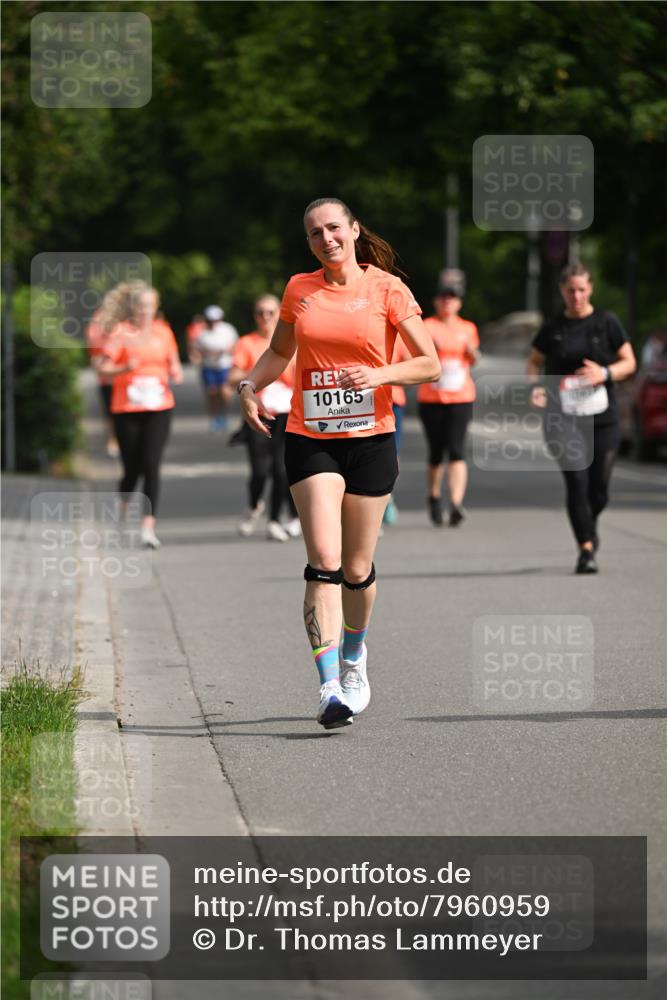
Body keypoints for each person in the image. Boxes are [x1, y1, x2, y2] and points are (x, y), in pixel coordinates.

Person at [237, 198, 440, 728]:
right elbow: (280, 353)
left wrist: (379, 377)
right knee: (323, 561)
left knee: (355, 568)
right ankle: (329, 686)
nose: (325, 239)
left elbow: (430, 363)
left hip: (372, 438)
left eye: (333, 228)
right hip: (311, 437)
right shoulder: (298, 289)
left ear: (353, 230)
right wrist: (249, 385)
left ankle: (354, 656)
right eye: (313, 233)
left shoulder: (387, 289)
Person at [527, 263, 636, 574]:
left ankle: (589, 523)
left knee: (598, 487)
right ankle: (585, 550)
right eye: (570, 290)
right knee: (576, 479)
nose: (576, 295)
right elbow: (534, 362)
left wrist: (603, 372)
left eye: (582, 289)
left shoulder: (606, 322)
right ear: (562, 291)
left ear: (590, 290)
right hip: (562, 416)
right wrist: (536, 388)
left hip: (602, 415)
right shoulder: (554, 326)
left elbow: (629, 362)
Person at [97, 281, 183, 549]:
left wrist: (176, 372)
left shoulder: (163, 332)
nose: (144, 311)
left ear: (156, 307)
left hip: (159, 406)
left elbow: (174, 362)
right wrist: (123, 368)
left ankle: (148, 525)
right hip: (127, 409)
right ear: (132, 308)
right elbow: (102, 368)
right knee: (132, 468)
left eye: (149, 305)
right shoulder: (121, 333)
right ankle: (121, 507)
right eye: (139, 305)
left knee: (151, 465)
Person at [228, 294, 301, 542]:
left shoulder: (293, 342)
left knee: (282, 470)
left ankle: (274, 520)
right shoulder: (247, 343)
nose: (265, 317)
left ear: (279, 314)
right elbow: (234, 374)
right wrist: (257, 376)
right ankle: (253, 505)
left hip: (287, 413)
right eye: (260, 312)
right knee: (260, 471)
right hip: (258, 413)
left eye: (270, 312)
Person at [417, 279, 480, 526]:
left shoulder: (468, 327)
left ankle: (455, 503)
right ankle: (434, 496)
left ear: (459, 303)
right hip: (432, 397)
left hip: (461, 396)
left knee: (456, 450)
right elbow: (416, 356)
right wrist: (431, 349)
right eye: (443, 297)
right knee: (436, 452)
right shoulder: (426, 326)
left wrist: (473, 352)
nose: (447, 301)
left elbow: (474, 358)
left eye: (452, 297)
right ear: (436, 301)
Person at [190, 305, 238, 430]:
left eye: (215, 320)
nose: (213, 323)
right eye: (210, 320)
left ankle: (224, 415)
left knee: (224, 392)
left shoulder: (228, 330)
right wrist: (199, 356)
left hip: (225, 365)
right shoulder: (202, 332)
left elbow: (236, 346)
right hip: (208, 366)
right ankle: (214, 417)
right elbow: (195, 349)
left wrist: (226, 351)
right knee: (211, 393)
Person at [85, 309, 119, 458]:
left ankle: (120, 439)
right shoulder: (95, 332)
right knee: (109, 412)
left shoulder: (122, 331)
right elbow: (93, 358)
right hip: (106, 380)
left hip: (122, 381)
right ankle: (112, 439)